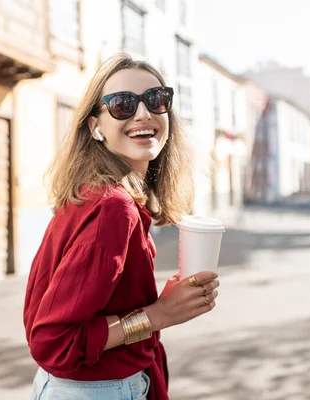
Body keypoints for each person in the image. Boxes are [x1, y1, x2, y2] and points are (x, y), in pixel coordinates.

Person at [23, 53, 220, 400]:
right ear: (96, 126)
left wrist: (166, 301)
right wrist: (157, 315)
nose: (143, 113)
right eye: (122, 104)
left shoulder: (98, 195)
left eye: (156, 100)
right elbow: (53, 343)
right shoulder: (112, 208)